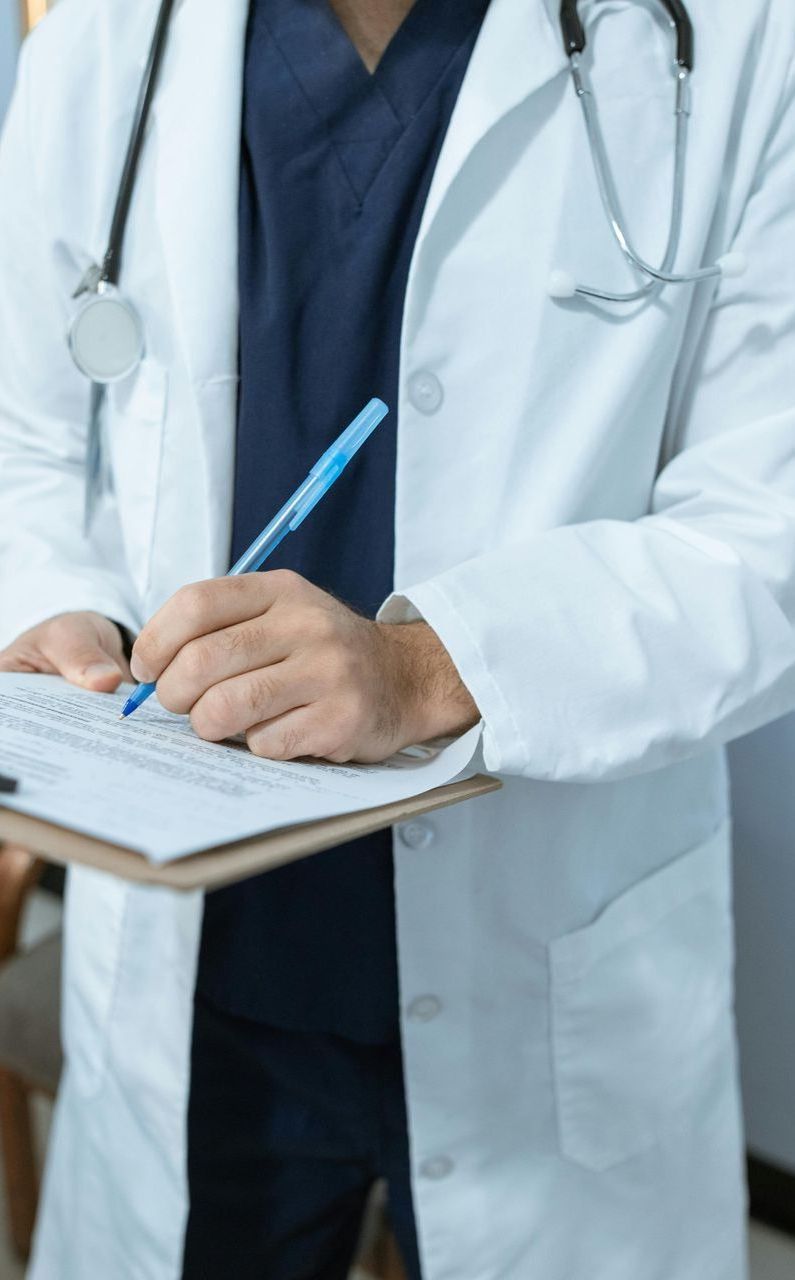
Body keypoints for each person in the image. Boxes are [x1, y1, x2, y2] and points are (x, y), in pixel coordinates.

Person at [0, 0, 793, 1277]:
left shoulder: (745, 32)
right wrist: (58, 608)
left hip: (549, 944)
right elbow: (27, 438)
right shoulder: (109, 27)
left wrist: (428, 666)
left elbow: (769, 530)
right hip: (203, 970)